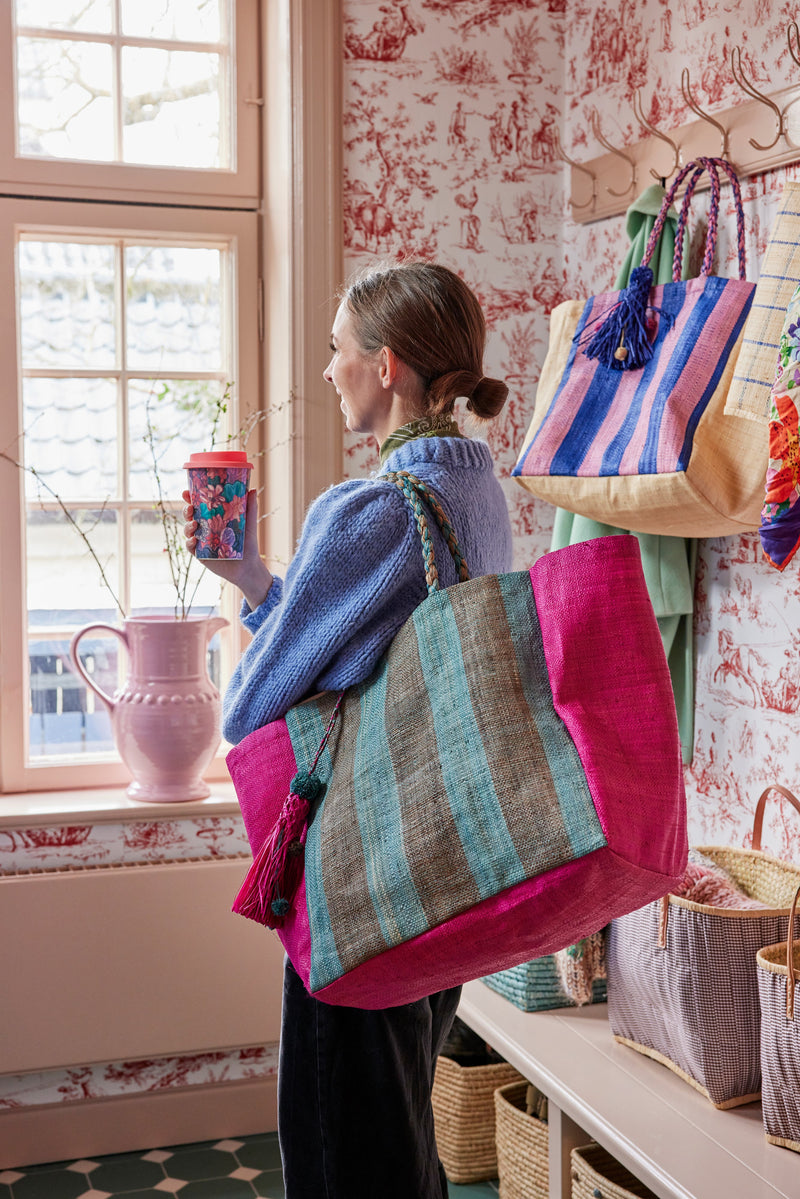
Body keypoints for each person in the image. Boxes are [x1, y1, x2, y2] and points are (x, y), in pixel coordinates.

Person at [184, 260, 513, 1199]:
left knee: (343, 1140)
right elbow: (372, 643)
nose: (328, 370)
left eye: (337, 349)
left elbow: (256, 700)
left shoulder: (367, 509)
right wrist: (258, 582)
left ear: (388, 363)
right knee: (402, 1117)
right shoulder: (473, 495)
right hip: (440, 852)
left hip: (360, 867)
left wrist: (260, 621)